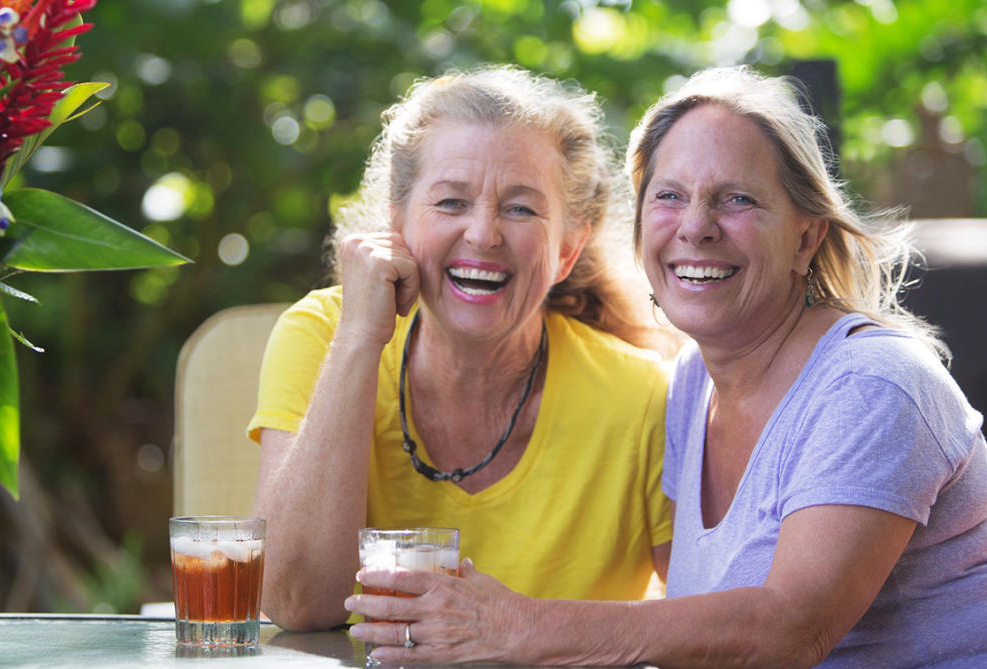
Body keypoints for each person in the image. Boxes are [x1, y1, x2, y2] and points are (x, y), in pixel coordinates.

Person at [345, 65, 987, 667]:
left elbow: (791, 629)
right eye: (670, 196)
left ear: (806, 237)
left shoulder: (873, 384)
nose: (696, 227)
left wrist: (520, 627)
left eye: (736, 199)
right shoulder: (690, 383)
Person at [248, 65, 676, 632]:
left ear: (568, 250)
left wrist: (523, 631)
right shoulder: (322, 336)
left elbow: (708, 626)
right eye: (451, 202)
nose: (483, 234)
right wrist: (357, 340)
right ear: (397, 224)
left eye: (520, 208)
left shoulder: (646, 396)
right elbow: (296, 602)